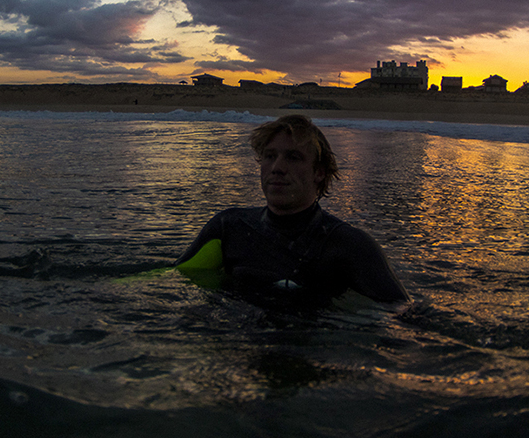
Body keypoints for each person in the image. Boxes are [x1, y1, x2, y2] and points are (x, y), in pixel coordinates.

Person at [175, 115, 408, 303]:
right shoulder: (229, 227)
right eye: (269, 156)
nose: (277, 167)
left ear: (319, 172)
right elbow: (170, 282)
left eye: (293, 157)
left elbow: (402, 316)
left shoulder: (349, 245)